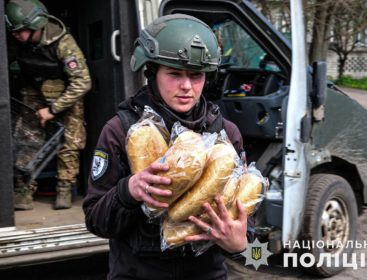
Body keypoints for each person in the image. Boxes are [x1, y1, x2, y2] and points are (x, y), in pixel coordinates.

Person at [83, 14, 247, 279]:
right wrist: (128, 191)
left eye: (196, 76)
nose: (186, 87)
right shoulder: (122, 131)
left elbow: (243, 219)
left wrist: (239, 243)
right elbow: (95, 220)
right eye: (174, 74)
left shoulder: (226, 135)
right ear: (152, 73)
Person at [6, 0, 91, 210]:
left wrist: (53, 110)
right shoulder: (16, 43)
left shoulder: (63, 42)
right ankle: (24, 189)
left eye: (19, 30)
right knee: (26, 139)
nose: (14, 34)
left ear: (34, 26)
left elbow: (82, 81)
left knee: (70, 143)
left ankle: (64, 189)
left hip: (66, 94)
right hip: (35, 92)